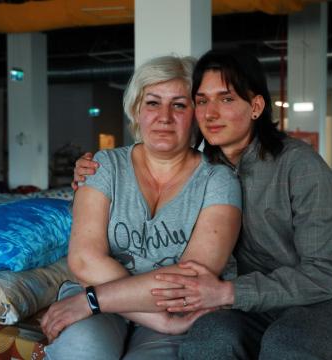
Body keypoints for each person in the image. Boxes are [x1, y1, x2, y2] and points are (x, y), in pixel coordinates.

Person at [73, 49, 332, 360]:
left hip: (327, 301)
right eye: (202, 101)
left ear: (256, 106)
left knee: (285, 347)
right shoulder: (205, 168)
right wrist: (87, 171)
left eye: (226, 99)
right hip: (253, 307)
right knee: (207, 342)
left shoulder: (300, 166)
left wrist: (230, 293)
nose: (210, 113)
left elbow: (327, 273)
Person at [41, 55, 242, 360]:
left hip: (175, 310)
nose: (164, 116)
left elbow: (190, 282)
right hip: (113, 303)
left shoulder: (218, 179)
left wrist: (95, 300)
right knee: (81, 350)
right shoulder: (104, 166)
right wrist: (146, 315)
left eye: (179, 104)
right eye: (152, 103)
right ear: (136, 110)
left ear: (196, 115)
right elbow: (84, 260)